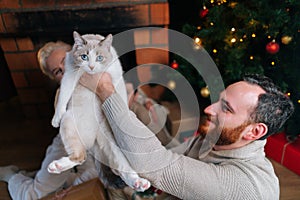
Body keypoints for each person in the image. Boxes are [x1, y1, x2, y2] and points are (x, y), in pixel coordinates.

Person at [79, 72, 294, 200]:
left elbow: (156, 163)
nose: (210, 109)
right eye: (218, 100)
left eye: (226, 109)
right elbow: (169, 157)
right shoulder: (217, 140)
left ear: (254, 132)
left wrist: (105, 90)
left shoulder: (243, 186)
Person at [0, 41, 99, 200]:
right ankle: (12, 176)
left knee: (96, 178)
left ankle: (49, 178)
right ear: (56, 78)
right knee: (32, 196)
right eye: (58, 71)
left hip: (91, 148)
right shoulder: (64, 96)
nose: (65, 70)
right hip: (68, 146)